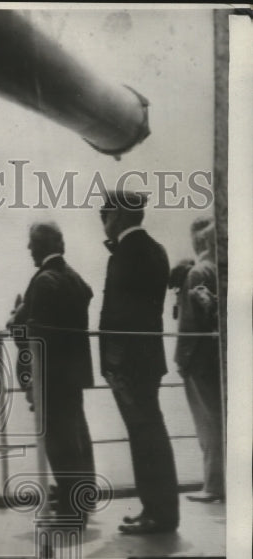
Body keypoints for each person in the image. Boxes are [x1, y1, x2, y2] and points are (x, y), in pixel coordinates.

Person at [98, 189, 179, 535]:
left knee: (145, 436)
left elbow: (120, 315)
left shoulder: (127, 253)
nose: (103, 221)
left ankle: (158, 514)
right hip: (148, 359)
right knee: (151, 434)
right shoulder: (156, 250)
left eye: (105, 214)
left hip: (128, 365)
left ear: (117, 216)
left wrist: (112, 364)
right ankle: (158, 509)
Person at [11, 222, 96, 521]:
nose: (28, 249)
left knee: (59, 442)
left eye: (31, 243)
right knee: (77, 436)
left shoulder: (44, 281)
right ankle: (83, 498)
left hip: (50, 374)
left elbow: (35, 334)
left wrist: (16, 323)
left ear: (42, 246)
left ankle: (73, 511)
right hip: (73, 373)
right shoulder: (73, 278)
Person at [173, 217, 224, 503]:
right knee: (217, 418)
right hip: (214, 359)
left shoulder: (198, 273)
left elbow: (191, 325)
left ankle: (213, 485)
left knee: (208, 422)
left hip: (198, 362)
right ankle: (218, 482)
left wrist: (182, 361)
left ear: (201, 241)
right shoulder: (219, 270)